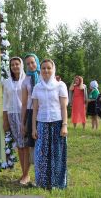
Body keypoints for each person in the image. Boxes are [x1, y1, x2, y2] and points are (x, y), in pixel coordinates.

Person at [32, 59, 68, 189]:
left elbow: (63, 107)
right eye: (43, 68)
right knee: (41, 155)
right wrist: (33, 128)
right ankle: (42, 183)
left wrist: (64, 125)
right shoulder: (37, 87)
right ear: (40, 70)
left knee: (57, 154)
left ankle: (57, 184)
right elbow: (35, 109)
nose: (46, 70)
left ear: (53, 69)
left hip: (57, 123)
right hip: (42, 124)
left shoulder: (60, 86)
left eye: (49, 68)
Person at [2, 57, 29, 185]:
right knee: (19, 145)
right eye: (12, 65)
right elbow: (5, 102)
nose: (15, 66)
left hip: (24, 114)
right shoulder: (6, 82)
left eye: (17, 64)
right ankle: (23, 174)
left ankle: (26, 175)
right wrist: (5, 119)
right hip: (12, 114)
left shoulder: (26, 80)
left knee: (25, 145)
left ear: (21, 65)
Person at [20, 53, 40, 168]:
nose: (31, 65)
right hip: (30, 111)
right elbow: (23, 104)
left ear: (36, 62)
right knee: (32, 142)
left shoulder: (44, 75)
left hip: (43, 112)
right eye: (28, 64)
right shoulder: (25, 81)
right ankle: (36, 168)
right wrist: (22, 122)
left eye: (32, 62)